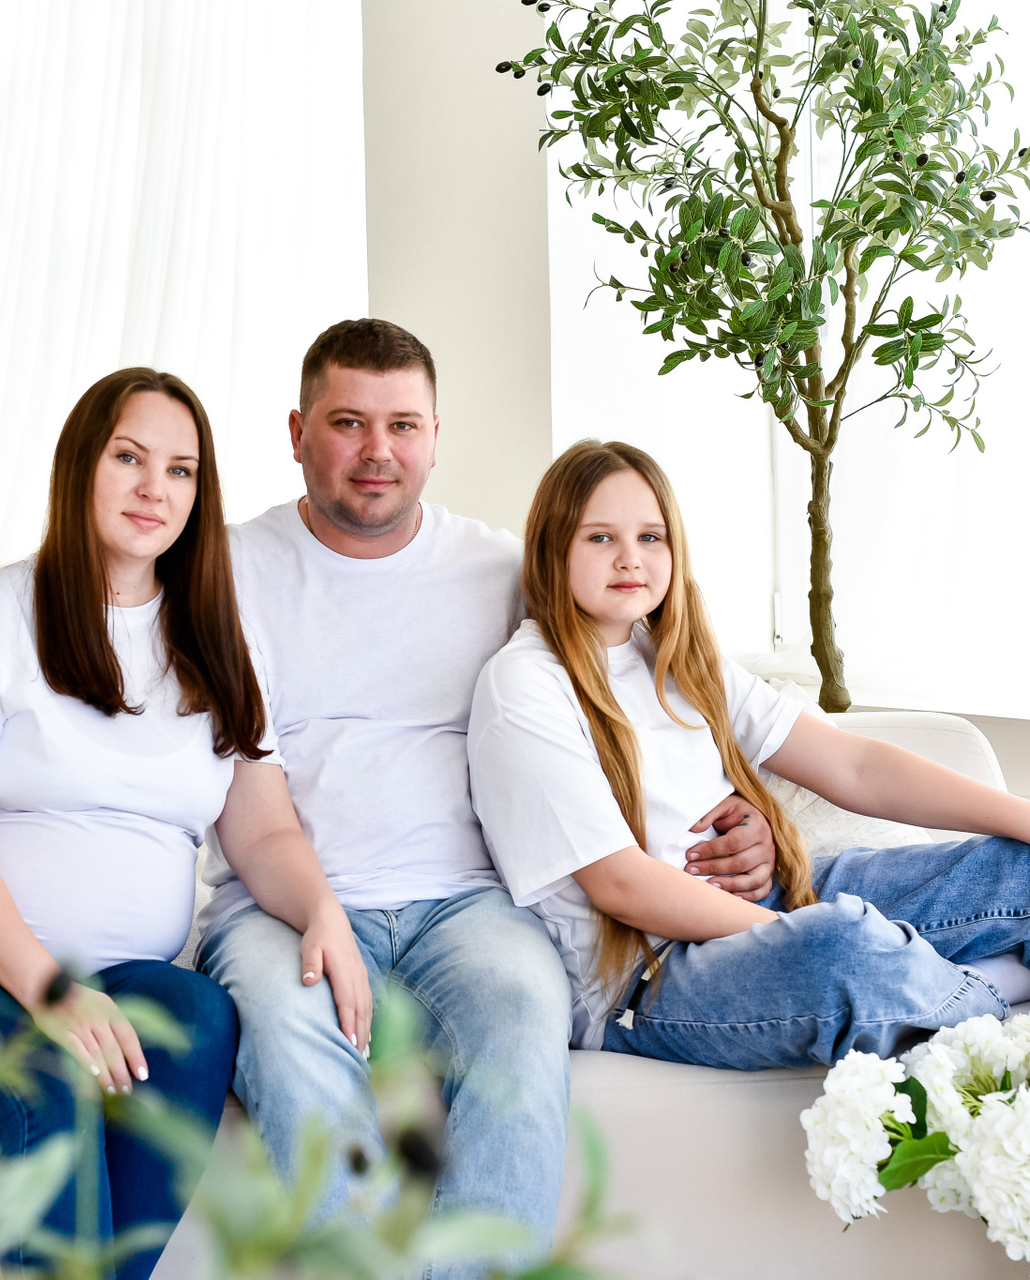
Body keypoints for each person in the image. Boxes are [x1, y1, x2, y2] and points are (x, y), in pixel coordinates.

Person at [192, 320, 780, 1269]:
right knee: (289, 1038)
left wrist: (745, 808)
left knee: (522, 1016)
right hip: (279, 907)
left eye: (403, 425)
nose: (378, 451)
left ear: (436, 437)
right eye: (347, 422)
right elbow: (247, 804)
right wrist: (318, 913)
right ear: (298, 433)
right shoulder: (221, 573)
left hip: (470, 906)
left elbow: (645, 691)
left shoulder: (505, 571)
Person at [0, 367, 369, 1280]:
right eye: (129, 458)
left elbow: (263, 831)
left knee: (199, 1018)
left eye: (181, 470)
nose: (156, 488)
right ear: (80, 465)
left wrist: (322, 911)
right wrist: (51, 996)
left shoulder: (219, 642)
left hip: (115, 975)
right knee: (44, 1079)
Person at [467, 439, 1030, 1069]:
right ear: (553, 549)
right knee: (842, 948)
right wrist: (797, 932)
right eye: (600, 537)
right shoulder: (526, 684)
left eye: (651, 536)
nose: (631, 557)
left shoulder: (676, 658)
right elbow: (620, 884)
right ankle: (997, 989)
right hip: (649, 978)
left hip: (764, 905)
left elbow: (854, 767)